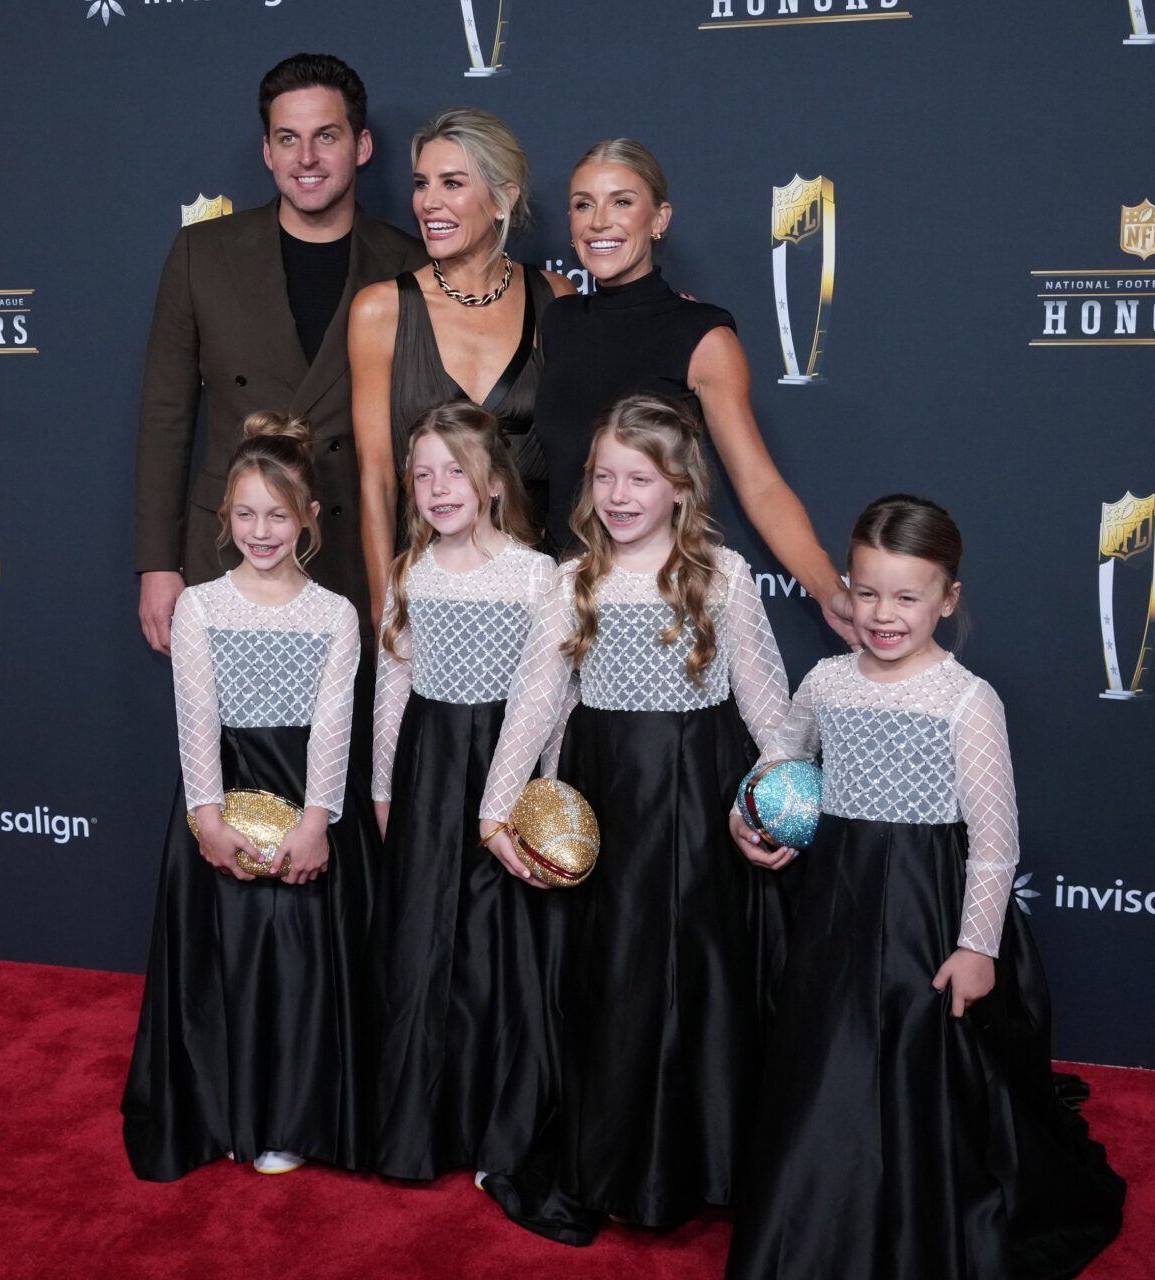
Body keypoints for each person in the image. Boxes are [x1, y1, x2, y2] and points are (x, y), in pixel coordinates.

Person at [725, 495, 1126, 1279]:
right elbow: (780, 752)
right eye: (867, 590)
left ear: (948, 599)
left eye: (908, 597)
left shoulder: (966, 701)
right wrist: (749, 812)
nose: (884, 614)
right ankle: (813, 1213)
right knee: (825, 1065)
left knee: (918, 1071)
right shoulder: (827, 680)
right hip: (834, 912)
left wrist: (977, 947)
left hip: (926, 916)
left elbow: (994, 840)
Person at [475, 394, 793, 1243]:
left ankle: (710, 1162)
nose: (618, 495)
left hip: (700, 810)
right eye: (605, 476)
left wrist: (778, 812)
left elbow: (771, 710)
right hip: (607, 805)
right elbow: (535, 702)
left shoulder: (722, 578)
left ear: (681, 487)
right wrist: (496, 810)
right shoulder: (573, 579)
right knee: (613, 983)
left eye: (639, 478)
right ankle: (613, 1160)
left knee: (700, 981)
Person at [122, 413, 377, 1180]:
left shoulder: (336, 615)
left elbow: (333, 728)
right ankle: (219, 1109)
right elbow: (196, 718)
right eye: (244, 514)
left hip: (309, 803)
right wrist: (208, 819)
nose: (260, 531)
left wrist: (315, 825)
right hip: (221, 795)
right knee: (225, 956)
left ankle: (295, 1115)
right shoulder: (201, 606)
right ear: (224, 519)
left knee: (299, 965)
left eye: (276, 514)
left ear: (308, 519)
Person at [133, 53, 426, 654]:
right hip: (231, 547)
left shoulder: (411, 266)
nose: (307, 159)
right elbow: (166, 419)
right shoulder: (201, 253)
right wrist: (158, 564)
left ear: (362, 146)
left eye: (326, 136)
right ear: (267, 151)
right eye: (288, 139)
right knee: (233, 745)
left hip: (359, 550)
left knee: (354, 746)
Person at [535, 138, 855, 643]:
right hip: (562, 601)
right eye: (582, 204)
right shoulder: (559, 321)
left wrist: (828, 589)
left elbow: (759, 483)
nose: (598, 221)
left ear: (659, 219)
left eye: (622, 201)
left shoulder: (702, 336)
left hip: (655, 608)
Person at [364, 402, 563, 1183]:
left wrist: (534, 793)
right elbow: (393, 681)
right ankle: (422, 1129)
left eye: (455, 471)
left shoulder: (534, 573)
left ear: (490, 483)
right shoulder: (410, 572)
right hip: (426, 769)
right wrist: (384, 786)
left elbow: (545, 698)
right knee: (421, 949)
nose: (438, 487)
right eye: (422, 474)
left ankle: (493, 1135)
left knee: (492, 950)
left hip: (500, 773)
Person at [348, 107, 575, 627]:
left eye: (452, 183)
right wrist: (390, 615)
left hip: (539, 594)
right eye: (422, 183)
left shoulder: (554, 297)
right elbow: (378, 480)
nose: (429, 202)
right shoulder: (380, 310)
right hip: (427, 594)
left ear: (503, 199)